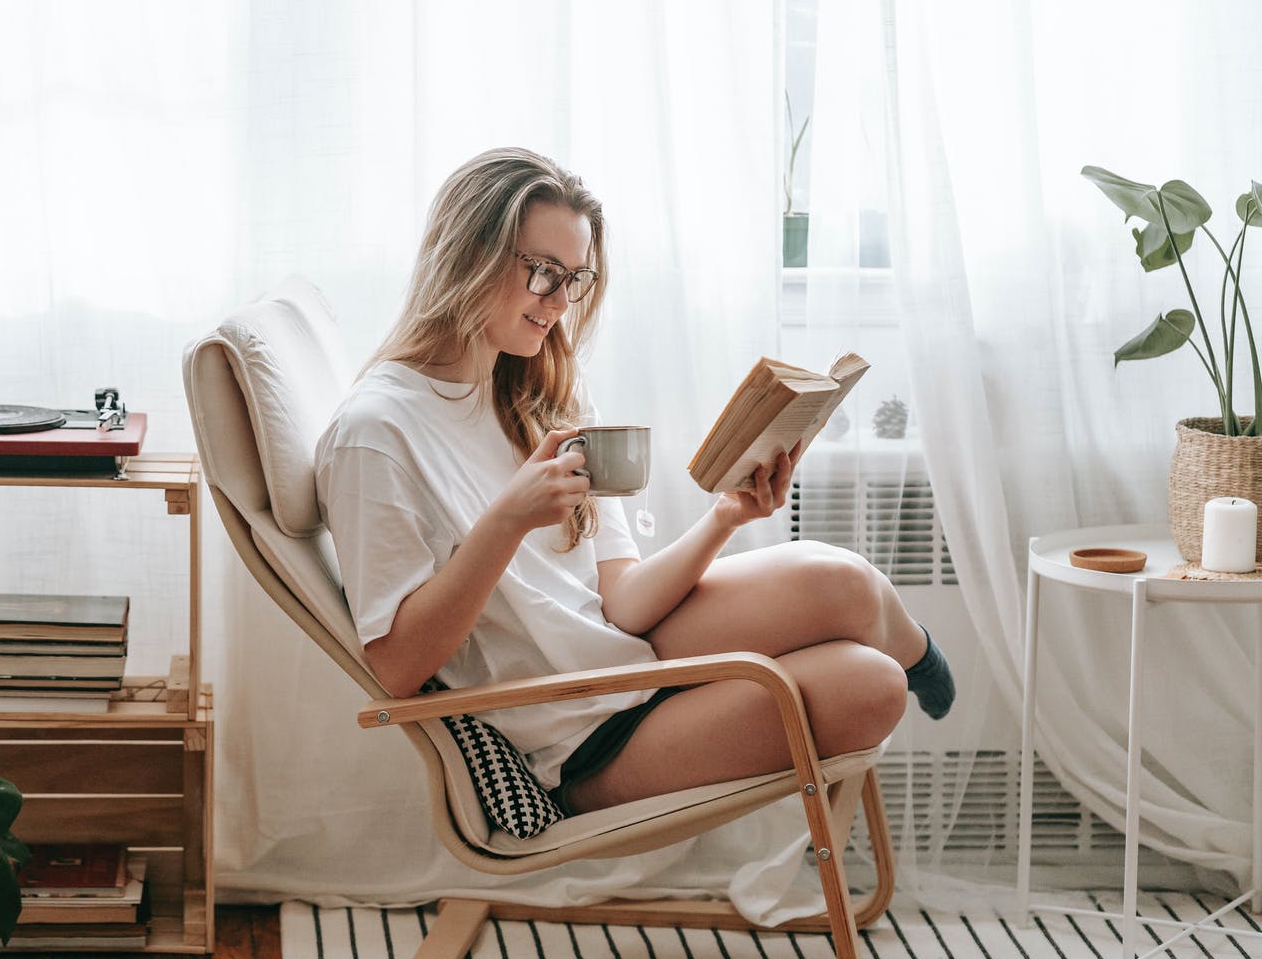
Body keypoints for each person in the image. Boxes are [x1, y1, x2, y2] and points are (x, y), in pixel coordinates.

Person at [314, 146, 953, 817]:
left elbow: (619, 598)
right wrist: (507, 521)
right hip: (579, 737)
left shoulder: (537, 388)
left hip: (627, 654)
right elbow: (393, 668)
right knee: (873, 688)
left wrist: (725, 517)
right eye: (543, 273)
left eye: (576, 279)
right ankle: (906, 664)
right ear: (468, 255)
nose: (560, 302)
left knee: (846, 583)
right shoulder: (376, 432)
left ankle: (922, 656)